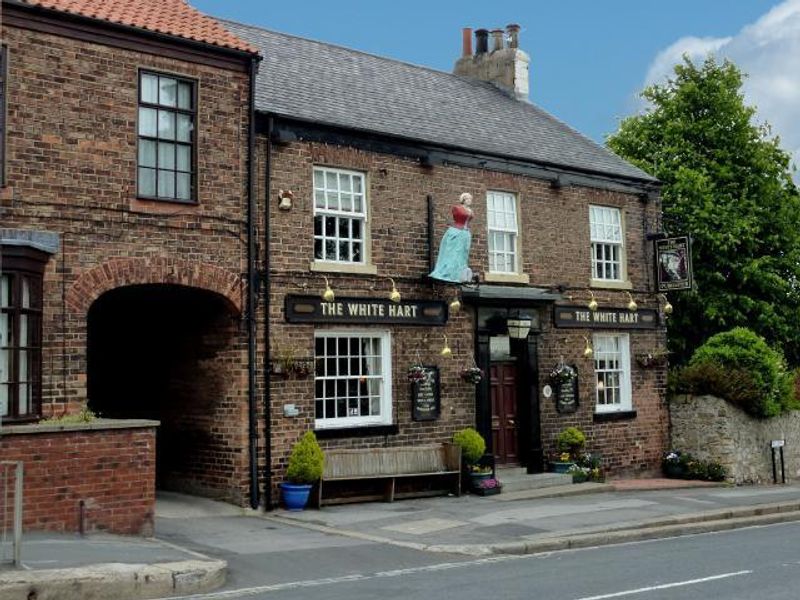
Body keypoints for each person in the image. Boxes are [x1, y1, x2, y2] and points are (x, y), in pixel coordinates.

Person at [429, 192, 474, 283]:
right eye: (468, 199)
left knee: (462, 254)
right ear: (463, 200)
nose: (470, 201)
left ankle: (458, 274)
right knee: (453, 253)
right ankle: (448, 272)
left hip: (465, 234)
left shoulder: (471, 211)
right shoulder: (457, 208)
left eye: (470, 199)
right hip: (456, 232)